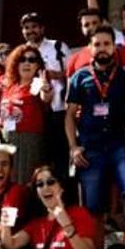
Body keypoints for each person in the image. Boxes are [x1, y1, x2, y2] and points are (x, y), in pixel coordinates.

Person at [65, 25, 125, 229]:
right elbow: (70, 116)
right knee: (92, 208)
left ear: (114, 48)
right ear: (90, 48)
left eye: (107, 44)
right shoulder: (79, 78)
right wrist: (74, 147)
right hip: (90, 149)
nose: (102, 48)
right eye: (97, 44)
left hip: (120, 146)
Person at [19, 12, 71, 176]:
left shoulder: (58, 46)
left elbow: (72, 74)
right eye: (26, 28)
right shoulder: (21, 53)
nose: (30, 30)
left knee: (61, 159)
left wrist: (54, 75)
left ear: (42, 28)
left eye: (34, 26)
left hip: (57, 110)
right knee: (39, 161)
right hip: (33, 113)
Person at [0, 45, 53, 183]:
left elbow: (46, 97)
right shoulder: (10, 86)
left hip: (28, 141)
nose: (27, 63)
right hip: (7, 139)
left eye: (32, 60)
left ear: (37, 65)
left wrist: (46, 89)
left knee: (25, 182)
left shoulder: (38, 83)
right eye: (22, 59)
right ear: (16, 63)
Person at [66, 7, 125, 78]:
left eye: (95, 23)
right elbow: (71, 88)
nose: (91, 27)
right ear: (82, 29)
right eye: (86, 25)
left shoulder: (121, 51)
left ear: (102, 23)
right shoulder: (74, 59)